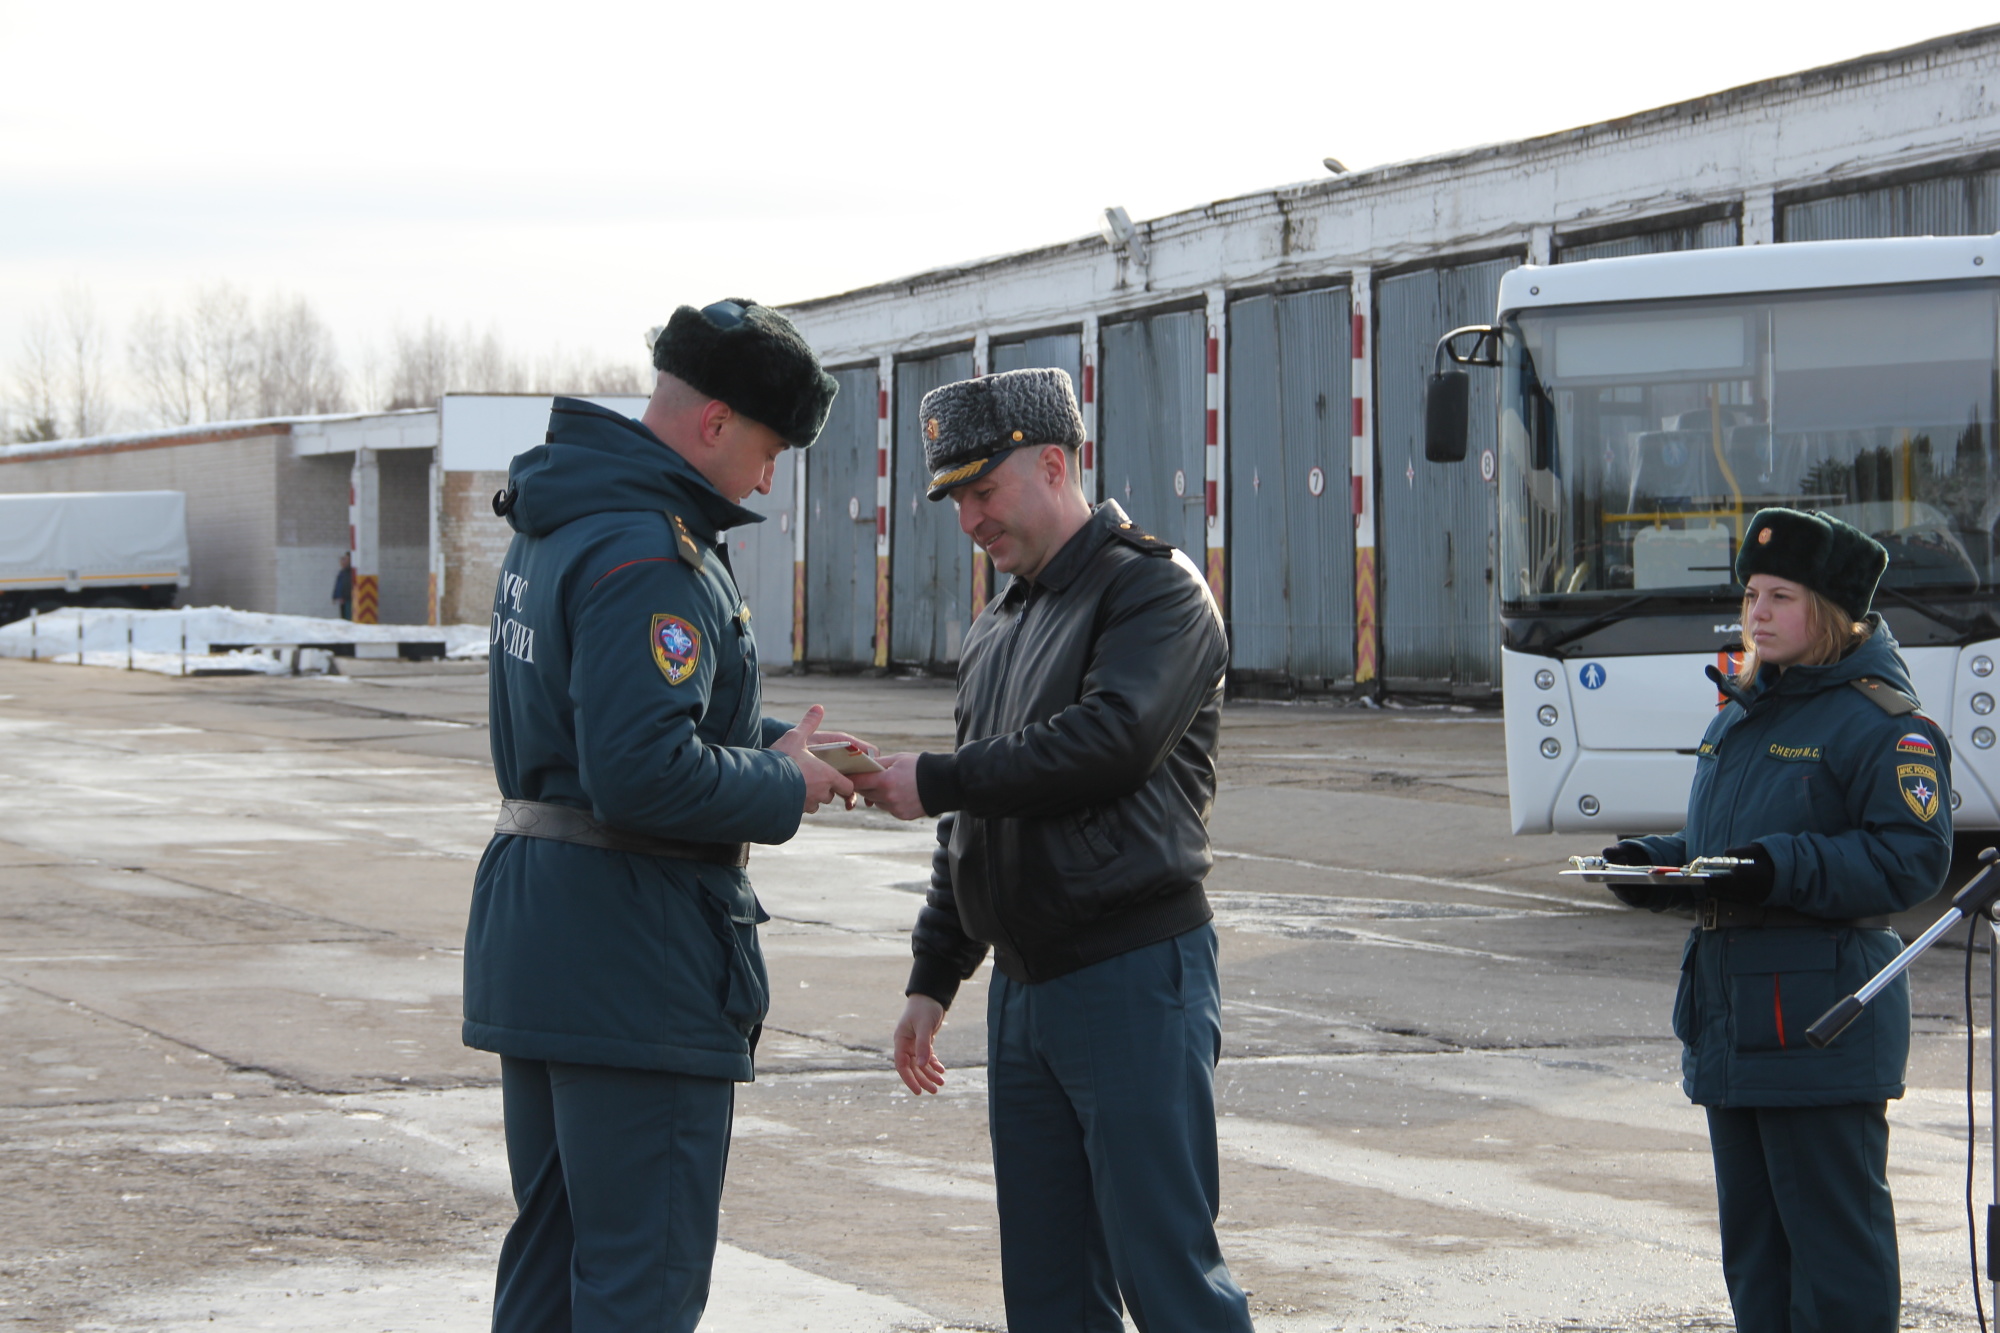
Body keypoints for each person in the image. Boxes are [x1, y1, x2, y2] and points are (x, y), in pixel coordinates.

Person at [463, 298, 861, 1333]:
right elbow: (640, 771)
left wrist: (774, 745)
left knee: (551, 1264)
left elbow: (596, 721)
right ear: (715, 422)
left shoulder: (564, 519)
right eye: (770, 450)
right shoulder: (652, 551)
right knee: (638, 1280)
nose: (769, 478)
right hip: (632, 959)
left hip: (549, 938)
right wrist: (784, 787)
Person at [852, 367, 1254, 1333]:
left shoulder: (1154, 592)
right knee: (1047, 1290)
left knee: (1169, 1276)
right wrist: (934, 973)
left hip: (1131, 975)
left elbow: (1109, 743)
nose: (970, 521)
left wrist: (938, 775)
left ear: (1056, 463)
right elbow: (975, 829)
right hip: (1028, 993)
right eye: (955, 499)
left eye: (983, 492)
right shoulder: (999, 627)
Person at [1599, 507, 1952, 1333]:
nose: (1755, 611)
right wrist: (1660, 864)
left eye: (1779, 595)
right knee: (1758, 1265)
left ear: (1830, 610)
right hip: (1735, 1026)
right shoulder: (1747, 708)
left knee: (1836, 1269)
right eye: (1752, 593)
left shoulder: (1881, 723)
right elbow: (1736, 845)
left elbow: (1911, 860)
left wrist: (1776, 866)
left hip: (1820, 1029)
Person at [331, 552, 353, 620]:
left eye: (345, 559)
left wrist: (345, 596)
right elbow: (338, 585)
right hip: (342, 599)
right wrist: (335, 596)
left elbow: (347, 586)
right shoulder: (342, 572)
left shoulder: (349, 572)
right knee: (343, 617)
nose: (343, 561)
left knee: (348, 617)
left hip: (348, 599)